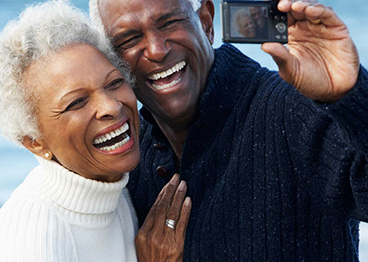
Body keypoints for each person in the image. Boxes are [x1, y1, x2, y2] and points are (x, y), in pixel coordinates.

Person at [90, 0, 368, 261]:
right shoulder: (128, 156)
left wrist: (351, 95)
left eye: (170, 22)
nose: (157, 49)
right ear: (112, 61)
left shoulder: (292, 108)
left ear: (207, 22)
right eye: (129, 39)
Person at [0, 1, 191, 261]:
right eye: (76, 102)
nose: (111, 106)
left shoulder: (112, 188)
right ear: (34, 141)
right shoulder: (33, 243)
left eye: (115, 82)